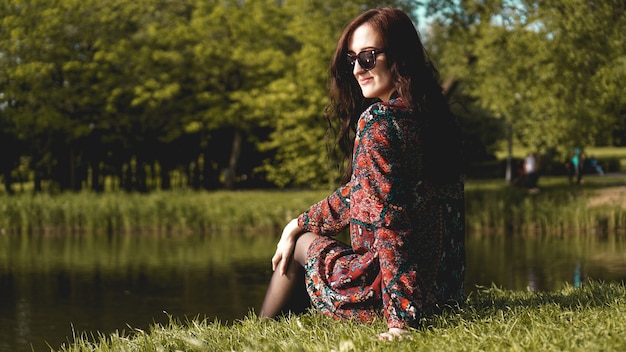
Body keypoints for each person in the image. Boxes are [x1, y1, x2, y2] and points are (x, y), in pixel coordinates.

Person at [259, 8, 465, 341]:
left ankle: (263, 333)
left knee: (301, 247)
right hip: (444, 295)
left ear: (399, 55)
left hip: (389, 297)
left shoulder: (379, 123)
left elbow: (390, 224)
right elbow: (362, 192)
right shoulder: (437, 119)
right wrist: (296, 223)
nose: (357, 69)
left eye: (368, 57)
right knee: (301, 235)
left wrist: (401, 322)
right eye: (352, 60)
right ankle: (277, 332)